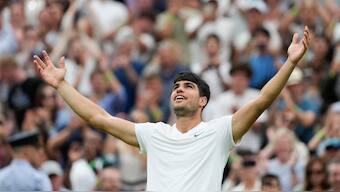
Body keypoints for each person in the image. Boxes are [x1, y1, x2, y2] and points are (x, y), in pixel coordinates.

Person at [33, 26, 310, 191]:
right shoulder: (154, 134)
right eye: (176, 87)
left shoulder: (220, 132)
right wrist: (61, 85)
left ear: (203, 101)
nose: (179, 89)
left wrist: (290, 63)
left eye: (188, 87)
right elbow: (99, 118)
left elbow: (261, 100)